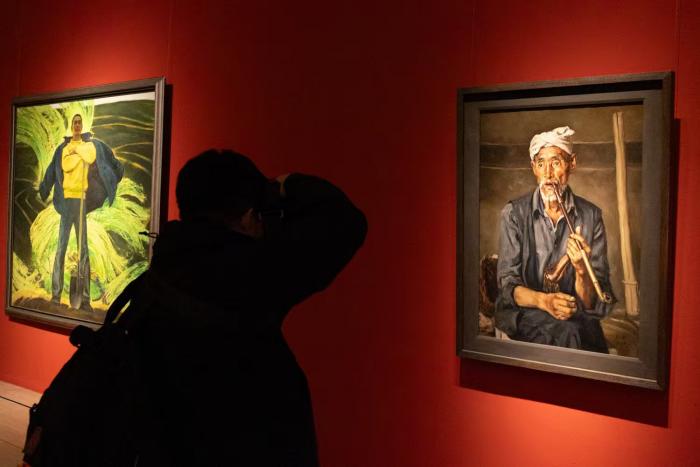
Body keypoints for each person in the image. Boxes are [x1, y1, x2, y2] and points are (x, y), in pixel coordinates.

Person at [131, 150, 367, 466]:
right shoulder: (251, 275)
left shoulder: (164, 266)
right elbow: (346, 222)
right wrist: (280, 186)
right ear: (247, 217)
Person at [495, 126, 615, 352]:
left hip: (575, 313)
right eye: (541, 164)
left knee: (592, 341)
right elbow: (507, 286)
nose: (548, 174)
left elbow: (594, 302)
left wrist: (581, 271)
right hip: (525, 312)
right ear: (534, 167)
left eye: (556, 162)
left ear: (572, 163)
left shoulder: (591, 216)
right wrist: (545, 301)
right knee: (568, 334)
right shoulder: (513, 214)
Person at [39, 113, 123, 311]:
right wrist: (44, 189)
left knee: (83, 250)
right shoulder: (63, 149)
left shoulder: (89, 146)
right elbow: (61, 166)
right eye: (74, 123)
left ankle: (84, 299)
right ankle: (56, 296)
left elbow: (91, 157)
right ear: (71, 126)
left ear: (81, 125)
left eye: (79, 123)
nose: (77, 125)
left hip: (81, 201)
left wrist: (76, 151)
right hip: (67, 202)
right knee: (61, 249)